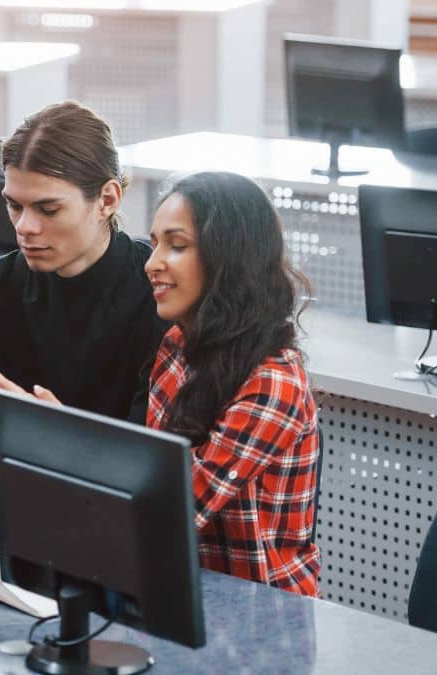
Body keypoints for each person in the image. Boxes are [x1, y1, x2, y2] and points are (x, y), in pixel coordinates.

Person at [0, 101, 170, 524]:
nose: (24, 226)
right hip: (37, 532)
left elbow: (144, 470)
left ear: (107, 199)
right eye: (14, 205)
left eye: (47, 209)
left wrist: (8, 499)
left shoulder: (159, 298)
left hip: (122, 532)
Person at [142, 170, 320, 596]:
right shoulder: (177, 346)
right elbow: (153, 474)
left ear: (228, 258)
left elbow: (168, 512)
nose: (152, 264)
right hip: (189, 590)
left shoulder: (272, 384)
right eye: (154, 245)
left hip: (263, 618)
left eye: (177, 245)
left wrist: (74, 457)